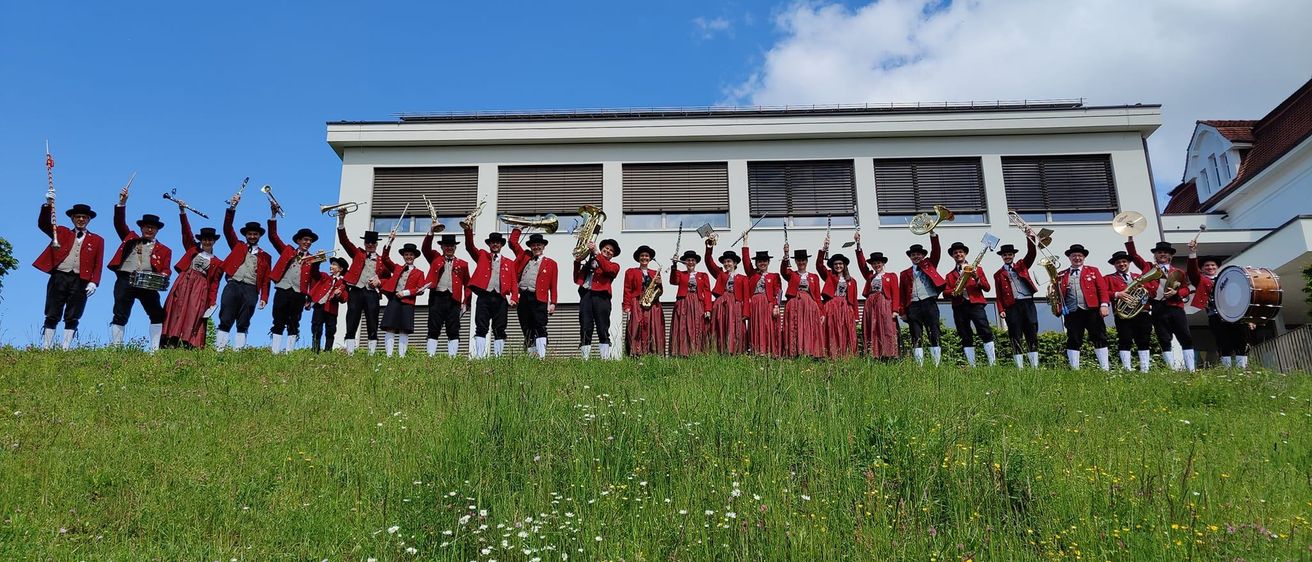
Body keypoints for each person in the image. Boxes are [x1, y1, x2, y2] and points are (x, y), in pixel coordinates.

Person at [106, 186, 172, 351]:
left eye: (153, 227)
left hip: (148, 282)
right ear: (142, 228)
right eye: (146, 227)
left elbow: (166, 268)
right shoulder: (130, 239)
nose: (149, 230)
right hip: (125, 279)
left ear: (157, 230)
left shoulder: (165, 250)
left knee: (157, 314)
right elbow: (119, 223)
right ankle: (117, 348)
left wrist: (164, 275)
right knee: (120, 312)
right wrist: (122, 202)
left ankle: (154, 350)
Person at [34, 199, 103, 350]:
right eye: (78, 217)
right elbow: (43, 224)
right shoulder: (61, 232)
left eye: (84, 217)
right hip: (60, 276)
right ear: (72, 218)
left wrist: (94, 282)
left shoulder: (97, 240)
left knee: (73, 313)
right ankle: (46, 346)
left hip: (81, 280)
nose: (81, 220)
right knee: (52, 311)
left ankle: (65, 348)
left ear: (89, 219)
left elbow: (98, 263)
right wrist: (48, 205)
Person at [1126, 236, 1195, 371]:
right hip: (1158, 307)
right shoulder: (1148, 267)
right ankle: (1171, 369)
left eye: (1165, 252)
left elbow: (1186, 289)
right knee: (1164, 338)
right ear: (1155, 255)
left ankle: (1191, 369)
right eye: (1159, 252)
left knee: (1185, 337)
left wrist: (1177, 293)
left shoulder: (1178, 271)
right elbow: (1134, 255)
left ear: (1170, 256)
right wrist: (1130, 238)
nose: (1162, 254)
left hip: (1176, 307)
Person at [160, 204, 224, 349]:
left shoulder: (218, 263)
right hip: (185, 282)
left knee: (193, 314)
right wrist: (182, 212)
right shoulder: (193, 250)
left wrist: (212, 302)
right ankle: (170, 339)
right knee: (177, 309)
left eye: (210, 239)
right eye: (205, 239)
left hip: (200, 288)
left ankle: (188, 342)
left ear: (214, 241)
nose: (207, 242)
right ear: (201, 240)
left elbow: (214, 284)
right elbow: (186, 233)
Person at [214, 193, 270, 351]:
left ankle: (238, 350)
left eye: (255, 234)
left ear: (259, 236)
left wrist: (264, 297)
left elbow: (266, 279)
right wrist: (232, 207)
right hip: (233, 284)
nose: (252, 236)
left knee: (244, 319)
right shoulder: (238, 245)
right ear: (246, 235)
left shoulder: (266, 256)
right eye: (250, 234)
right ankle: (220, 349)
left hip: (251, 288)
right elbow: (227, 228)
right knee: (226, 316)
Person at [1186, 241, 1251, 369]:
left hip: (1235, 315)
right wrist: (1192, 253)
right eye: (1206, 266)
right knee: (1223, 343)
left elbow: (1242, 297)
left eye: (1213, 265)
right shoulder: (1201, 280)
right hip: (1216, 316)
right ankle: (1227, 370)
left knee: (1241, 342)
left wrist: (1249, 317)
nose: (1210, 267)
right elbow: (1192, 271)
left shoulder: (1228, 278)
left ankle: (1242, 371)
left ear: (1217, 267)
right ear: (1202, 268)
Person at [267, 210, 319, 354]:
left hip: (299, 293)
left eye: (310, 241)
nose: (307, 243)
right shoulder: (287, 250)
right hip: (283, 289)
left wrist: (311, 298)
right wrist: (273, 216)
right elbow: (273, 236)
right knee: (278, 319)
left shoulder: (312, 259)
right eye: (305, 240)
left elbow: (314, 279)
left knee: (294, 321)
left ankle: (290, 351)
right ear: (298, 241)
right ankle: (275, 351)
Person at [339, 218, 391, 355]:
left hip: (372, 293)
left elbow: (388, 277)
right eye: (367, 242)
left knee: (372, 321)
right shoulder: (357, 253)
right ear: (364, 243)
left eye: (372, 242)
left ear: (376, 244)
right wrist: (341, 221)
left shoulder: (381, 260)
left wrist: (379, 282)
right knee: (351, 319)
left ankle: (371, 353)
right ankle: (350, 352)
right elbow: (344, 241)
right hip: (356, 291)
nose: (370, 245)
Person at [464, 225, 516, 358]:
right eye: (492, 242)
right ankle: (480, 357)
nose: (495, 244)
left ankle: (498, 358)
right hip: (484, 296)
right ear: (489, 244)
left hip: (500, 297)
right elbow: (470, 246)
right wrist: (468, 229)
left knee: (500, 328)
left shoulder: (509, 262)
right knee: (481, 326)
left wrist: (514, 297)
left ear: (501, 245)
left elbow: (514, 282)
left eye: (497, 242)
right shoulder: (482, 255)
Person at [1056, 244, 1111, 370]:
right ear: (1069, 257)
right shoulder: (1061, 274)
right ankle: (1075, 369)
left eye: (1080, 255)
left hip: (1091, 310)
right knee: (1073, 338)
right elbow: (1057, 294)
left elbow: (1102, 289)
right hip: (1072, 311)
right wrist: (1058, 307)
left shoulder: (1093, 270)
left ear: (1084, 257)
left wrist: (1104, 305)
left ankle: (1105, 368)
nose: (1077, 258)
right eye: (1074, 255)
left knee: (1099, 336)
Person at [943, 241, 996, 367]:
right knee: (964, 334)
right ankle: (972, 365)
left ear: (965, 254)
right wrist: (955, 291)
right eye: (955, 253)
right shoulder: (949, 275)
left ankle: (992, 363)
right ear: (952, 256)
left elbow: (987, 287)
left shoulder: (977, 269)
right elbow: (945, 293)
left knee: (985, 330)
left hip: (975, 304)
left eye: (960, 252)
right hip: (959, 306)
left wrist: (977, 277)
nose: (958, 254)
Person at [422, 229, 472, 358]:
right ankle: (430, 356)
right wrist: (431, 232)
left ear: (455, 247)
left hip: (454, 299)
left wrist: (465, 302)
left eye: (451, 246)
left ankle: (452, 358)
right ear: (442, 247)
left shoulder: (463, 264)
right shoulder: (435, 258)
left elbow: (468, 284)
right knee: (433, 327)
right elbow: (425, 248)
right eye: (446, 246)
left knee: (453, 328)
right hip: (437, 297)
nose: (449, 248)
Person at [509, 230, 558, 358]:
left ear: (543, 246)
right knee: (526, 327)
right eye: (534, 245)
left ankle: (541, 357)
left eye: (539, 245)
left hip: (539, 298)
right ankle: (531, 357)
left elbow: (553, 286)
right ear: (530, 246)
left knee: (540, 326)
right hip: (524, 296)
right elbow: (512, 242)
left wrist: (553, 302)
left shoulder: (551, 263)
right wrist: (518, 229)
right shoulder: (524, 256)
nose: (536, 247)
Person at [992, 239, 1041, 368]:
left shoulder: (1021, 266)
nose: (1007, 257)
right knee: (1015, 334)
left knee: (1031, 331)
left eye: (1009, 254)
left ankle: (1034, 365)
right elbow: (999, 294)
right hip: (1011, 306)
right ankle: (1019, 367)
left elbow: (1031, 254)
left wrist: (1030, 239)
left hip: (1027, 302)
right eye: (1005, 255)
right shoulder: (998, 274)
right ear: (1002, 257)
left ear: (1013, 255)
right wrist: (1001, 309)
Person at [898, 234, 945, 366]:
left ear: (923, 256)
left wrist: (933, 235)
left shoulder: (929, 265)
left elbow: (936, 251)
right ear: (910, 257)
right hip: (913, 306)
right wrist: (902, 311)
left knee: (934, 332)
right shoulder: (904, 273)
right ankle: (920, 365)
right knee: (916, 335)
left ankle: (936, 364)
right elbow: (901, 293)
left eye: (919, 254)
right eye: (913, 255)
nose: (916, 256)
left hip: (929, 302)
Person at [1104, 250, 1154, 372]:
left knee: (1144, 340)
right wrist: (1117, 294)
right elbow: (1103, 293)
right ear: (1114, 265)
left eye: (1124, 261)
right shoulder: (1108, 278)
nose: (1122, 264)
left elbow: (1151, 292)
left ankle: (1145, 369)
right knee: (1125, 339)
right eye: (1118, 262)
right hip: (1123, 315)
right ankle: (1127, 368)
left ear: (1129, 263)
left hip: (1142, 313)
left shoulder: (1139, 277)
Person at [574, 238, 620, 359]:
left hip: (602, 297)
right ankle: (585, 359)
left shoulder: (614, 265)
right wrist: (578, 262)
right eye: (606, 248)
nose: (608, 251)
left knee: (602, 327)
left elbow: (608, 269)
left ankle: (604, 358)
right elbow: (577, 279)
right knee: (585, 326)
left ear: (613, 255)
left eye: (611, 250)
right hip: (586, 295)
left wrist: (596, 253)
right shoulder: (590, 262)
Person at [854, 233, 899, 359]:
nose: (876, 265)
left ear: (883, 263)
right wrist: (858, 245)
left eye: (878, 263)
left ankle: (888, 353)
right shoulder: (870, 276)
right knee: (872, 327)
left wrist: (895, 309)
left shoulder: (891, 276)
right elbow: (862, 265)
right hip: (871, 304)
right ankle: (874, 353)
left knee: (886, 328)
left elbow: (896, 292)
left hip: (885, 303)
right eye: (874, 263)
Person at [379, 240, 427, 357]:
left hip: (408, 302)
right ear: (403, 256)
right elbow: (385, 258)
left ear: (414, 256)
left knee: (404, 329)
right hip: (394, 300)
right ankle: (389, 355)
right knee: (390, 326)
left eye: (411, 255)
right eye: (406, 255)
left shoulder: (419, 273)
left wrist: (406, 293)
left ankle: (402, 356)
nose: (408, 257)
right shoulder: (397, 268)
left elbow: (421, 289)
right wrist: (390, 242)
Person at [704, 234, 748, 354]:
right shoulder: (720, 274)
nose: (726, 264)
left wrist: (745, 313)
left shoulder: (743, 278)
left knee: (735, 327)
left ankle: (735, 351)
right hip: (721, 304)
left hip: (736, 304)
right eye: (725, 262)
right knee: (721, 326)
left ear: (734, 263)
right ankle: (720, 351)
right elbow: (708, 261)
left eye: (729, 261)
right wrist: (709, 247)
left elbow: (745, 296)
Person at [816, 238, 858, 358]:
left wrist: (855, 316)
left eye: (840, 264)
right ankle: (831, 355)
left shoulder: (852, 281)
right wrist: (824, 249)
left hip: (846, 307)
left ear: (844, 265)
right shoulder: (829, 275)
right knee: (832, 330)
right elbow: (819, 265)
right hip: (831, 306)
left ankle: (846, 355)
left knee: (846, 330)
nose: (838, 266)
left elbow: (854, 300)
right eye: (835, 264)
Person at [780, 244, 824, 359]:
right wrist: (786, 255)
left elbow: (818, 296)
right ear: (796, 262)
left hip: (809, 306)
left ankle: (809, 352)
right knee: (794, 327)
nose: (801, 262)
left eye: (803, 260)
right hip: (794, 303)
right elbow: (783, 271)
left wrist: (821, 311)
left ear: (806, 261)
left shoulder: (814, 277)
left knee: (807, 327)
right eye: (799, 260)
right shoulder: (791, 274)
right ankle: (794, 352)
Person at [668, 249, 712, 357]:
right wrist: (674, 265)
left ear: (696, 262)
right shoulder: (680, 274)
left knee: (697, 326)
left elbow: (707, 292)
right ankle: (682, 352)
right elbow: (673, 281)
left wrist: (708, 309)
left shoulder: (703, 275)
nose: (690, 262)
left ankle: (697, 351)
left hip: (697, 303)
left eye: (692, 260)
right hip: (683, 302)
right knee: (682, 326)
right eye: (688, 260)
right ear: (684, 262)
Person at [623, 245, 665, 357]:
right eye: (642, 256)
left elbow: (660, 292)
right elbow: (627, 290)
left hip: (653, 304)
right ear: (638, 258)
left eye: (646, 256)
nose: (644, 258)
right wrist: (627, 306)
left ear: (650, 258)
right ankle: (637, 352)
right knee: (637, 327)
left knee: (652, 327)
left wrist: (659, 283)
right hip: (637, 302)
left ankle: (652, 352)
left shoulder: (655, 272)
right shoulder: (630, 271)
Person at [743, 241, 782, 357]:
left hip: (768, 303)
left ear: (768, 262)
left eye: (764, 261)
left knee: (768, 326)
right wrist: (745, 243)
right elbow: (746, 262)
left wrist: (776, 306)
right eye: (759, 261)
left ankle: (770, 351)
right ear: (756, 263)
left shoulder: (774, 276)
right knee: (755, 326)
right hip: (755, 304)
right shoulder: (752, 274)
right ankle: (756, 351)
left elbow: (778, 291)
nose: (762, 263)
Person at [306, 257, 349, 353]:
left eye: (334, 264)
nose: (331, 266)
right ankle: (315, 350)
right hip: (319, 305)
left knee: (330, 330)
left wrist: (339, 294)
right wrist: (318, 261)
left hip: (331, 309)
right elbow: (315, 272)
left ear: (340, 269)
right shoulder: (325, 276)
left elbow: (344, 299)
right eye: (331, 264)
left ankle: (328, 351)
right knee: (316, 328)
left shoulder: (343, 283)